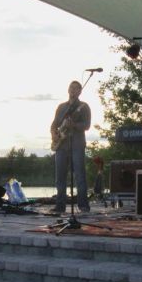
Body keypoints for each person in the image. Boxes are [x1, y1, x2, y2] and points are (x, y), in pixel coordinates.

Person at [50, 81, 91, 213]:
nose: (73, 90)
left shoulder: (84, 106)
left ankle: (83, 206)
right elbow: (54, 124)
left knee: (80, 176)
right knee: (60, 177)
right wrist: (54, 134)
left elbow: (87, 125)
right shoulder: (61, 107)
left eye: (76, 88)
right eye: (71, 87)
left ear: (80, 91)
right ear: (68, 90)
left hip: (77, 144)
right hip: (61, 145)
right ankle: (60, 206)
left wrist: (74, 125)